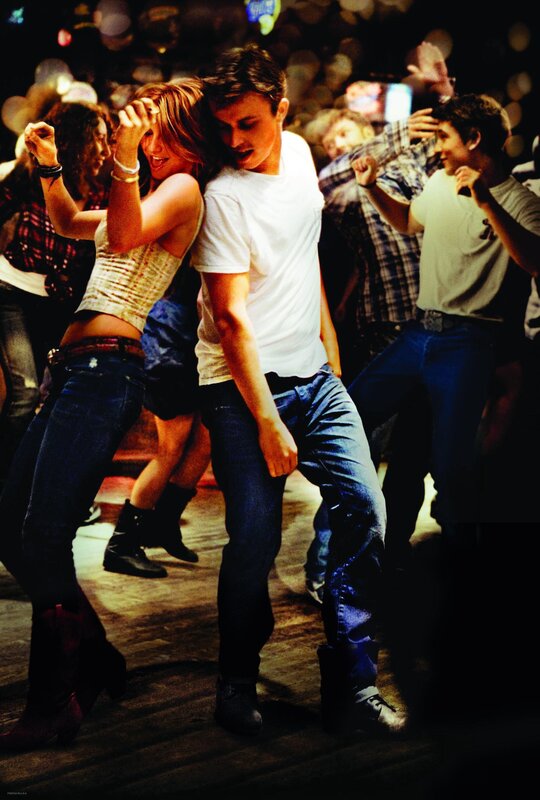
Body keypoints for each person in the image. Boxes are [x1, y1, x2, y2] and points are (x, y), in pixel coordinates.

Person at [192, 43, 406, 738]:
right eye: (224, 127)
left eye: (248, 123)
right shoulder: (223, 196)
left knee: (366, 510)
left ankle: (352, 682)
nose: (235, 139)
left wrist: (329, 350)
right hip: (240, 390)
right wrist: (267, 420)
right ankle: (235, 684)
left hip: (312, 376)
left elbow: (302, 256)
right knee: (253, 541)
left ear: (281, 109)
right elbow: (230, 320)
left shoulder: (299, 154)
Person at [0, 78, 218, 750]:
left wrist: (123, 156)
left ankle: (54, 703)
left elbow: (120, 234)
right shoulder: (151, 194)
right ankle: (93, 658)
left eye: (156, 133)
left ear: (185, 137)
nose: (146, 143)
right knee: (11, 525)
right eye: (143, 134)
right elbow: (70, 221)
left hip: (105, 373)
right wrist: (48, 167)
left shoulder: (184, 190)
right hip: (76, 371)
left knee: (42, 534)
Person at [350, 93, 540, 718]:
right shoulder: (437, 182)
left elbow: (535, 260)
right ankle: (368, 556)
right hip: (419, 331)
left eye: (448, 139)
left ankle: (465, 593)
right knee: (350, 414)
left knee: (454, 471)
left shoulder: (517, 198)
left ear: (476, 140)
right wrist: (373, 189)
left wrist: (484, 199)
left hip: (469, 339)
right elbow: (409, 223)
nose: (439, 149)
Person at [304, 40, 455, 607]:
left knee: (412, 457)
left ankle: (388, 558)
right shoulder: (339, 185)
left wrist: (443, 92)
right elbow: (332, 180)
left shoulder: (411, 167)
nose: (342, 144)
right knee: (354, 455)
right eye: (334, 141)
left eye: (348, 133)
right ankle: (326, 567)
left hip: (434, 328)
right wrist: (387, 139)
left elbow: (455, 147)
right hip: (385, 330)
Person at [0, 99, 112, 490]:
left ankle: (36, 488)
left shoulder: (101, 194)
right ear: (76, 141)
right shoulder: (28, 176)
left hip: (60, 304)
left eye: (107, 140)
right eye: (98, 139)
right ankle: (8, 487)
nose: (105, 149)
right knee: (25, 393)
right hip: (12, 292)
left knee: (58, 398)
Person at [103, 262, 211, 577]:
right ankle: (121, 545)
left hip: (189, 346)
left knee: (205, 443)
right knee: (171, 449)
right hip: (173, 348)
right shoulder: (198, 234)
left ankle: (164, 523)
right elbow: (202, 301)